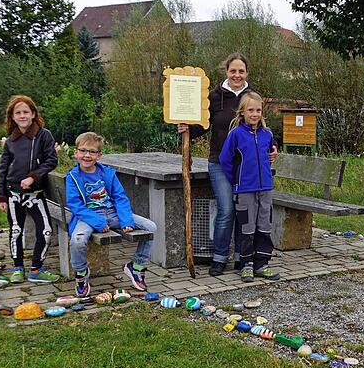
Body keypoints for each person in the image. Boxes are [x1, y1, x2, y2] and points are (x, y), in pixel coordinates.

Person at [177, 53, 277, 277]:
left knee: (246, 213)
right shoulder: (214, 97)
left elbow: (262, 129)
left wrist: (273, 147)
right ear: (226, 72)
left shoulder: (252, 97)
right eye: (233, 71)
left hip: (247, 169)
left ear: (246, 73)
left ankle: (245, 259)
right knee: (227, 210)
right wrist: (188, 130)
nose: (237, 75)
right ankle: (220, 257)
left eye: (241, 71)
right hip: (220, 163)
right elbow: (203, 125)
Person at [65, 132, 157, 297]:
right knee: (77, 240)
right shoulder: (73, 177)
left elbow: (120, 198)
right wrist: (97, 222)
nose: (87, 155)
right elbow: (74, 204)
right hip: (87, 217)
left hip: (112, 213)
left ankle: (136, 267)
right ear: (76, 153)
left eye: (92, 152)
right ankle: (80, 274)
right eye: (83, 151)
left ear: (99, 155)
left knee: (151, 227)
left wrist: (126, 221)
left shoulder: (107, 173)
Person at [0, 95, 60, 283]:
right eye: (18, 112)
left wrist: (33, 176)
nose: (22, 115)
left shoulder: (44, 135)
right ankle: (17, 268)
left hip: (36, 194)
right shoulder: (10, 141)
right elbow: (3, 169)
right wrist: (1, 196)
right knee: (16, 230)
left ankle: (36, 269)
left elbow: (51, 160)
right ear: (12, 117)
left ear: (33, 114)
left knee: (46, 231)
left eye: (26, 112)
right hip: (13, 194)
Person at [219, 92, 280, 283]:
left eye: (258, 110)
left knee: (264, 225)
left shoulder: (267, 134)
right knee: (247, 227)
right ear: (242, 112)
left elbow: (270, 154)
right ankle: (246, 265)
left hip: (265, 189)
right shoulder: (236, 134)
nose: (255, 114)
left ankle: (262, 264)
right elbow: (225, 159)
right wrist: (236, 180)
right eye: (251, 110)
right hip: (244, 190)